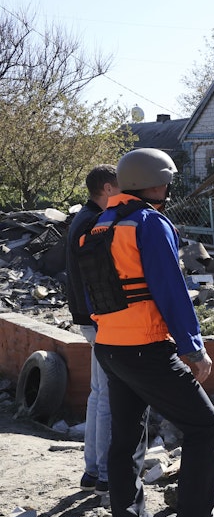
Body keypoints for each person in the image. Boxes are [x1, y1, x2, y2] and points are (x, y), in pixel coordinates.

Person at [82, 148, 214, 517]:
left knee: (124, 440)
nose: (170, 186)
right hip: (145, 348)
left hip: (109, 346)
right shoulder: (149, 223)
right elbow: (171, 290)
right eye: (167, 179)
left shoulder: (100, 224)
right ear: (154, 183)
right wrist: (194, 349)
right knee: (205, 426)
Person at [65, 165, 120, 497]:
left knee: (99, 394)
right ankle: (102, 474)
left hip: (88, 317)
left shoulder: (83, 218)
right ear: (107, 188)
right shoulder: (93, 222)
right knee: (108, 398)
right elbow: (97, 276)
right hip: (98, 319)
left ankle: (92, 471)